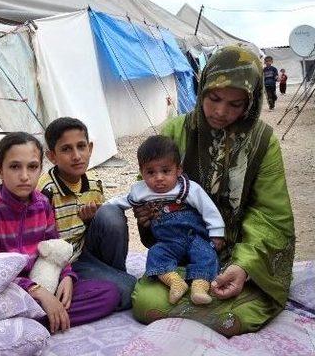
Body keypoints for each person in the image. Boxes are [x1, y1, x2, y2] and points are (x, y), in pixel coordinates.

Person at [131, 46, 295, 337]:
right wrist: (149, 211)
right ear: (202, 88)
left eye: (235, 104)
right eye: (214, 98)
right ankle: (197, 291)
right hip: (184, 248)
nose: (221, 112)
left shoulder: (263, 142)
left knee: (236, 304)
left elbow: (270, 215)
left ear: (251, 101)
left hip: (240, 252)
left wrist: (244, 267)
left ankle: (217, 291)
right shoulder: (175, 131)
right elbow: (149, 184)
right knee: (146, 303)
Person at [0, 132, 120, 334]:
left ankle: (33, 324)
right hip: (7, 291)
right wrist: (36, 291)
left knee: (109, 294)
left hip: (44, 281)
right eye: (15, 167)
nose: (24, 176)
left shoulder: (41, 204)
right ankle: (40, 319)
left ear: (40, 168)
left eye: (32, 167)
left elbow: (55, 247)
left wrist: (67, 276)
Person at [106, 135, 225, 306]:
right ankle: (175, 283)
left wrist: (217, 234)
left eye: (165, 171)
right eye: (151, 172)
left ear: (178, 170)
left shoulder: (189, 189)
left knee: (206, 254)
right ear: (142, 172)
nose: (159, 178)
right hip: (168, 242)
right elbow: (120, 201)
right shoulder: (141, 192)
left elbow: (209, 211)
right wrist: (103, 207)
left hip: (194, 237)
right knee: (155, 254)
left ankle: (199, 287)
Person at [37, 117, 136, 310]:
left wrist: (90, 221)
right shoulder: (45, 191)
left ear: (90, 148)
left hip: (86, 253)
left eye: (81, 146)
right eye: (66, 149)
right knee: (129, 291)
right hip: (61, 263)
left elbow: (103, 228)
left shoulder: (94, 182)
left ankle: (114, 275)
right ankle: (103, 284)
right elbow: (42, 243)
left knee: (110, 214)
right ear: (52, 156)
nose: (76, 156)